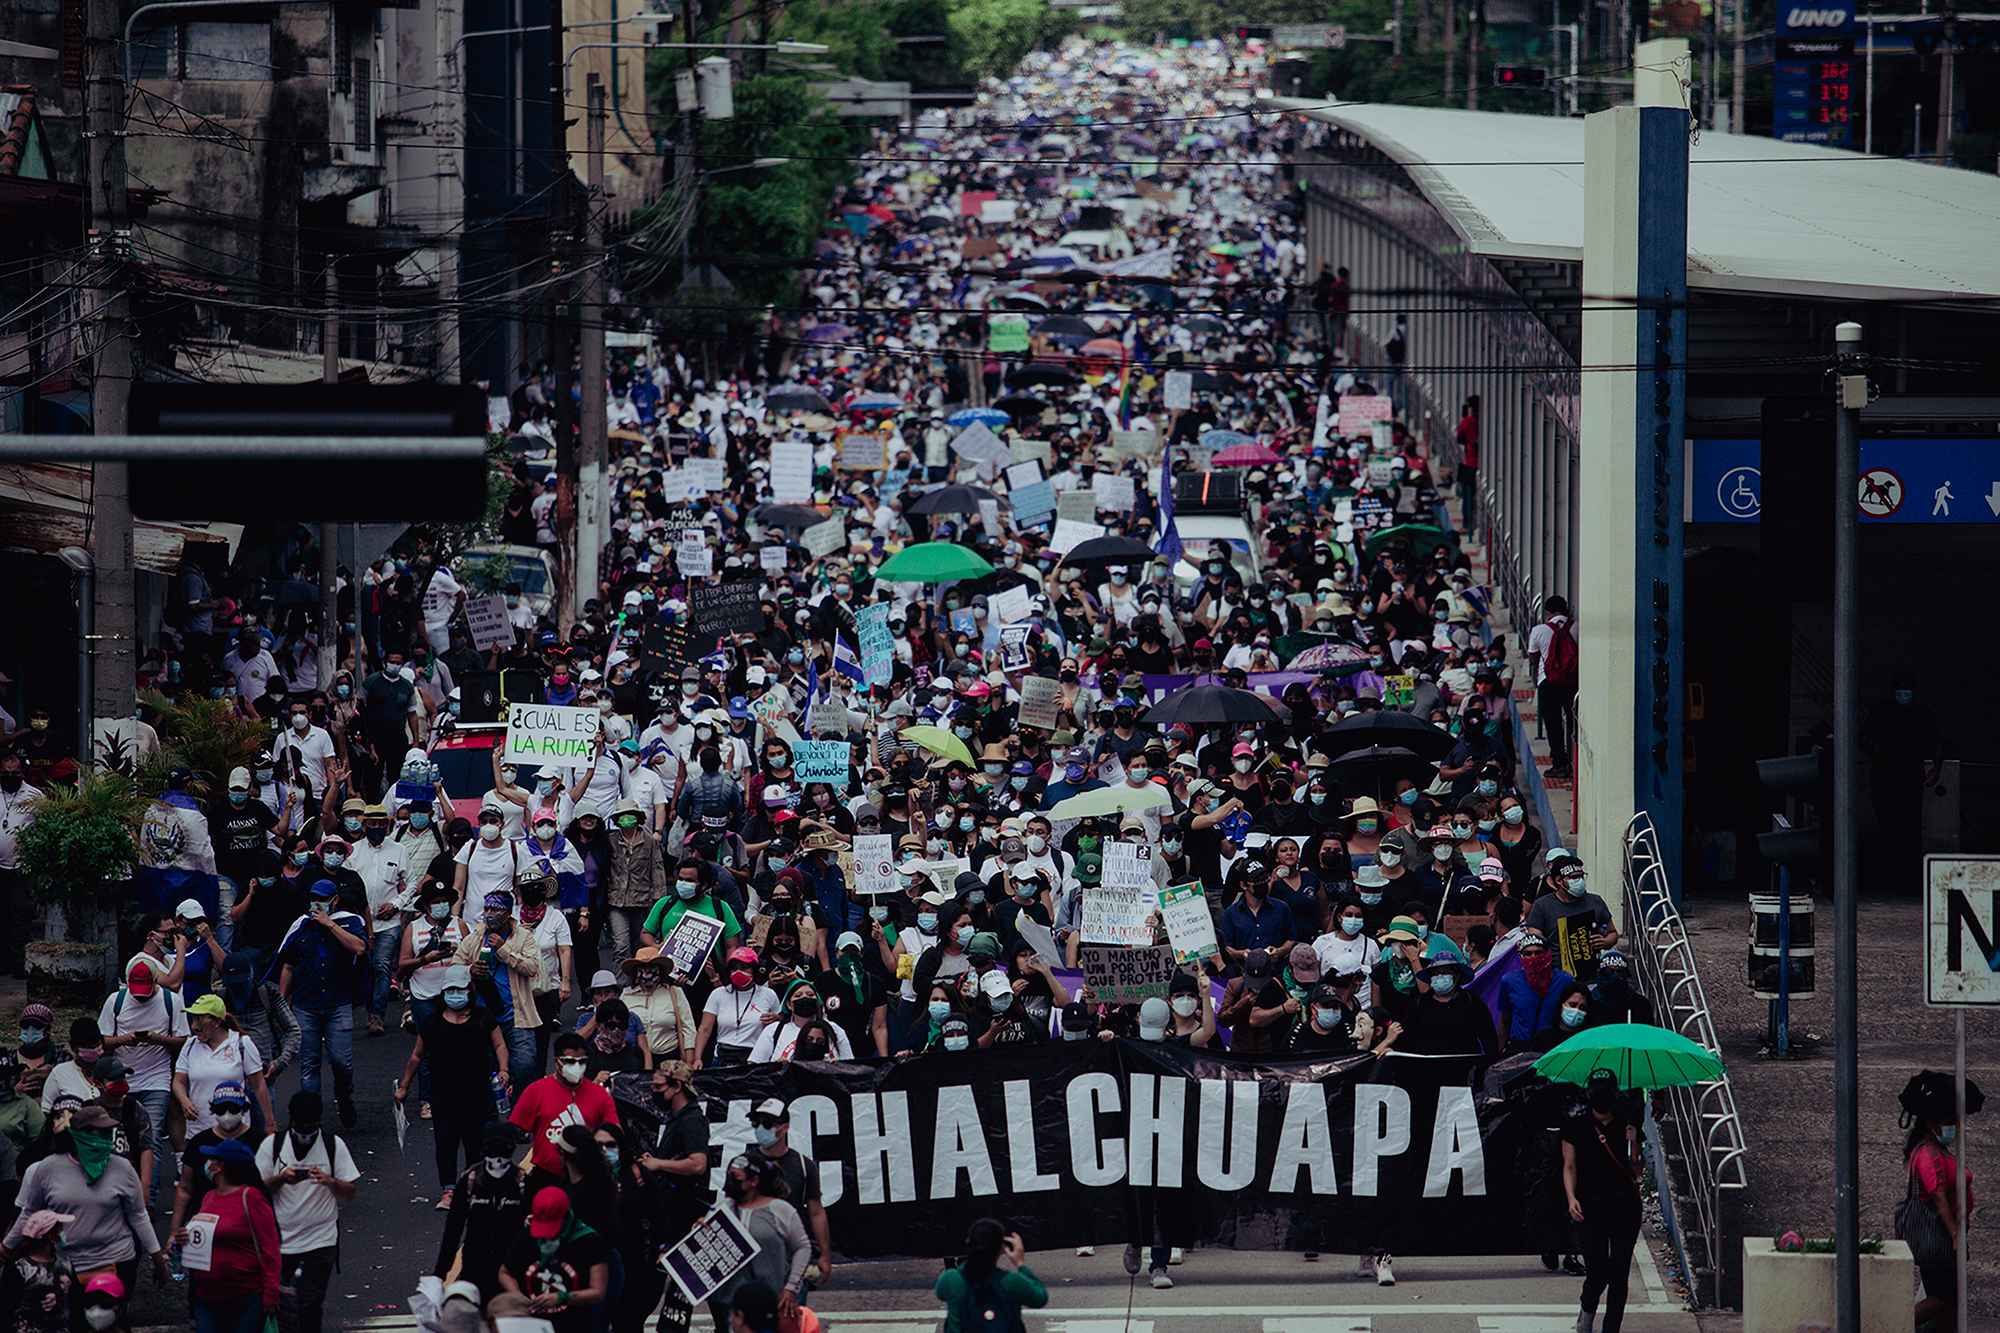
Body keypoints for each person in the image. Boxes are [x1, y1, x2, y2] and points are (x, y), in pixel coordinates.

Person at [1, 1104, 166, 1292]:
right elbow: (28, 1212)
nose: (104, 1140)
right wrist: (6, 1247)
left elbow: (138, 1215)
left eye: (108, 1133)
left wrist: (158, 1259)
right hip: (68, 1263)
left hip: (115, 1260)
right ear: (79, 1134)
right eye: (98, 1132)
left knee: (106, 1318)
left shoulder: (123, 1168)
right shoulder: (47, 1169)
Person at [395, 964, 508, 1209]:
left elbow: (499, 1045)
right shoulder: (432, 1022)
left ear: (469, 990)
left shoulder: (482, 1018)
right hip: (444, 1095)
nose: (455, 995)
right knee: (445, 1143)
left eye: (460, 989)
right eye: (450, 990)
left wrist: (504, 1070)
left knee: (475, 1143)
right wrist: (404, 1086)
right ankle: (448, 1191)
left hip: (477, 1093)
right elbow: (417, 1056)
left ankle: (471, 1186)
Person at [254, 1091, 360, 1333]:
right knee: (279, 1304)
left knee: (310, 1303)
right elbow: (257, 1190)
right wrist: (281, 1179)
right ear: (291, 1121)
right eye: (301, 1128)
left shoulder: (334, 1146)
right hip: (281, 1241)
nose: (306, 1134)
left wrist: (331, 1182)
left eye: (311, 1128)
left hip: (321, 1240)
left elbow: (351, 1191)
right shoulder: (272, 1146)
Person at [271, 879, 368, 1127]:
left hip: (338, 1003)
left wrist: (330, 924)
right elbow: (288, 965)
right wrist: (281, 1002)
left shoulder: (350, 921)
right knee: (309, 1064)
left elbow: (359, 947)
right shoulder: (301, 926)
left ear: (335, 900)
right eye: (314, 897)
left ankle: (344, 1096)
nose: (317, 902)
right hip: (306, 1004)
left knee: (341, 1061)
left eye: (323, 898)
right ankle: (310, 1117)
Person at [96, 958, 188, 1206]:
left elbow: (183, 1040)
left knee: (152, 1138)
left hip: (156, 1080)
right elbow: (102, 1041)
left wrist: (158, 1039)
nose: (141, 998)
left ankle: (149, 1201)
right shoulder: (115, 1002)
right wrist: (126, 1039)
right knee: (117, 1140)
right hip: (121, 1080)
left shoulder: (171, 1002)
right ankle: (117, 1197)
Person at [1562, 1070, 1644, 1333]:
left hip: (1624, 1206)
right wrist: (1571, 1197)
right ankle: (1587, 1310)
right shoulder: (1575, 1125)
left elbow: (1637, 1170)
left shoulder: (1627, 1124)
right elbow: (1569, 1166)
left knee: (1619, 1272)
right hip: (1590, 1208)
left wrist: (1633, 1144)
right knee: (1597, 1271)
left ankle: (1612, 1328)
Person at [1898, 1069, 1975, 1333]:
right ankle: (1888, 1324)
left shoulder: (1936, 1148)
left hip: (1945, 1235)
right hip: (1938, 1237)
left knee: (1950, 1300)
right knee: (1942, 1298)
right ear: (1932, 1123)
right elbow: (1937, 1194)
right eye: (1949, 1119)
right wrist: (1954, 1232)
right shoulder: (1927, 1153)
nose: (1954, 1124)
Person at [453, 889, 545, 1094]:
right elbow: (455, 966)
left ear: (507, 912)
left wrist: (504, 949)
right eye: (486, 908)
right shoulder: (476, 936)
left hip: (516, 1015)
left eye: (495, 909)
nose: (489, 913)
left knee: (524, 1066)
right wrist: (470, 970)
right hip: (482, 1015)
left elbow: (532, 968)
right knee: (483, 1069)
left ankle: (520, 1116)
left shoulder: (523, 936)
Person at [185, 1137, 281, 1333]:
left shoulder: (251, 1198)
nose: (208, 1163)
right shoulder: (209, 1197)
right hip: (207, 1295)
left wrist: (271, 1293)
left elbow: (270, 1248)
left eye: (213, 1159)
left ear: (221, 1166)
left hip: (244, 1297)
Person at [708, 1153, 811, 1333]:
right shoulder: (722, 1208)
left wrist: (791, 1288)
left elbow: (802, 1247)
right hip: (729, 1303)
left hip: (771, 1300)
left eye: (736, 1178)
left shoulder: (780, 1210)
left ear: (754, 1181)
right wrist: (700, 1231)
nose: (730, 1182)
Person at [167, 1080, 263, 1267]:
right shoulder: (198, 1143)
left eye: (233, 1109)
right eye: (221, 1110)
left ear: (244, 1109)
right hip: (203, 1231)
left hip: (245, 1229)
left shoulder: (259, 1142)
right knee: (203, 1284)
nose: (227, 1115)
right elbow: (185, 1189)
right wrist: (174, 1232)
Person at [432, 1123, 530, 1300]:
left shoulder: (471, 1181)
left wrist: (440, 1272)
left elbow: (453, 1230)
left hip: (490, 1264)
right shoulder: (521, 1181)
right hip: (495, 1264)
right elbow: (453, 1229)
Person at [508, 1032, 620, 1184]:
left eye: (582, 1061)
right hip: (546, 1176)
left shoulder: (600, 1095)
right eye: (570, 1061)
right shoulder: (536, 1091)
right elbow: (511, 1132)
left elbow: (615, 1133)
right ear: (556, 1061)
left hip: (588, 1176)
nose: (577, 1066)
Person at [494, 1186, 611, 1333]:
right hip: (532, 1324)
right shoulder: (527, 1235)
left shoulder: (589, 1241)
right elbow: (505, 1272)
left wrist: (563, 1297)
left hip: (575, 1324)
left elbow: (598, 1292)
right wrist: (517, 1296)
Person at [746, 1098, 833, 1281]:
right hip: (752, 1259)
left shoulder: (804, 1166)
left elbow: (816, 1212)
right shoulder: (743, 1164)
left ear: (784, 1128)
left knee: (792, 1307)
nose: (760, 1128)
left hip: (790, 1259)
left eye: (767, 1123)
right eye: (756, 1123)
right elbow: (728, 1206)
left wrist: (824, 1255)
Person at [172, 994, 276, 1139]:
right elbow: (178, 1081)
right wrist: (184, 1101)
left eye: (199, 1019)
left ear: (216, 1022)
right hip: (199, 1130)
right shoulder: (190, 1045)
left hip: (236, 1130)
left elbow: (259, 1085)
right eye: (193, 1019)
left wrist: (270, 1122)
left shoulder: (241, 1044)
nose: (194, 1026)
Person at [934, 1218, 1047, 1333]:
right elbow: (1040, 1298)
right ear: (1001, 1248)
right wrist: (1020, 1264)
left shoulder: (951, 1279)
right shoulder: (1011, 1281)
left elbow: (940, 1294)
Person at [1524, 851, 1620, 982]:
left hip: (1591, 977)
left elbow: (1613, 933)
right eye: (1574, 877)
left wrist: (1605, 942)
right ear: (1559, 880)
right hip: (1555, 978)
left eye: (1581, 876)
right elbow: (1535, 942)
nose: (1579, 881)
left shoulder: (1595, 901)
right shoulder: (1542, 906)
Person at [0, 1208, 78, 1333]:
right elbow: (6, 1308)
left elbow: (74, 1300)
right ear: (49, 1235)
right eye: (59, 1229)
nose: (62, 1232)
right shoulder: (19, 1268)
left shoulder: (66, 1264)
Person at [1527, 596, 1579, 781]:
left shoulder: (1539, 630)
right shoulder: (1576, 627)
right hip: (1573, 683)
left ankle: (1559, 764)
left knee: (1553, 725)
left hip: (1548, 682)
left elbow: (1532, 658)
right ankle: (1578, 762)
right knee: (1574, 722)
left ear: (1547, 612)